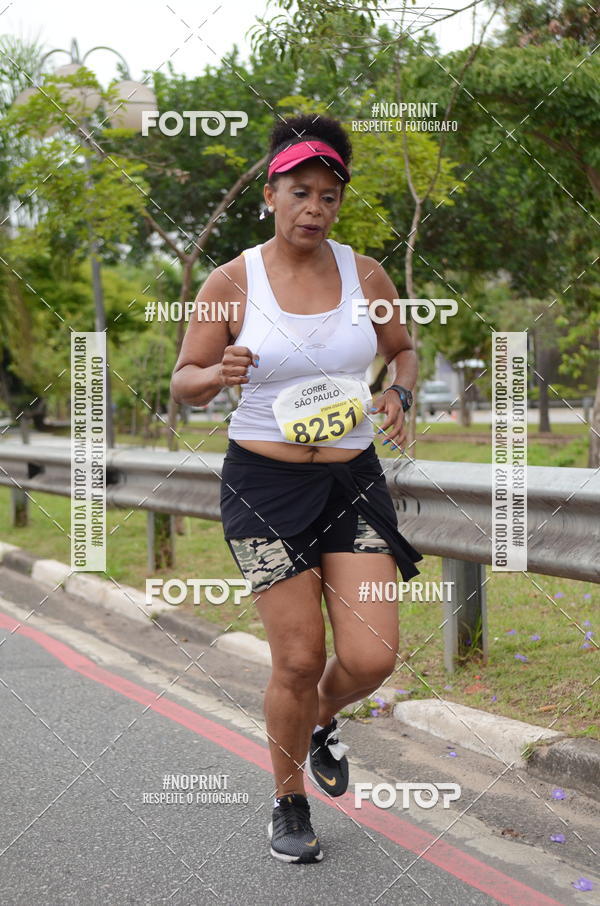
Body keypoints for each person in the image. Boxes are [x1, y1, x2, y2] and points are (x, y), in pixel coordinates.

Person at [170, 114, 423, 864]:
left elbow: (402, 352)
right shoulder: (231, 281)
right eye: (300, 191)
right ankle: (287, 799)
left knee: (373, 658)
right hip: (264, 486)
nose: (315, 207)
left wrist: (397, 395)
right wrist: (219, 375)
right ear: (272, 195)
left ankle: (314, 722)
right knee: (299, 657)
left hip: (352, 478)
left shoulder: (365, 274)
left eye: (329, 196)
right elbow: (184, 382)